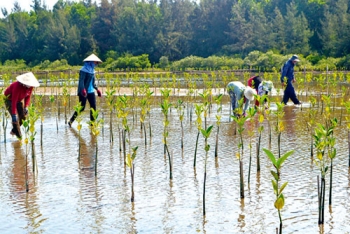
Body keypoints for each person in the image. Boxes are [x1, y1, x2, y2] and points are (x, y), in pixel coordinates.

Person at [68, 53, 103, 127]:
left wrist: (97, 89)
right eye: (95, 62)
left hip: (91, 92)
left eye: (97, 63)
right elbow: (81, 81)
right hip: (84, 91)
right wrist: (83, 90)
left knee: (93, 107)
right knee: (81, 108)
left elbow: (93, 83)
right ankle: (71, 121)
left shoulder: (92, 71)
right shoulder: (83, 70)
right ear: (90, 61)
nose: (96, 64)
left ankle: (92, 124)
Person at [4, 72, 40, 139]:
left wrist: (26, 106)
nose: (30, 85)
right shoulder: (17, 86)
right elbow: (14, 100)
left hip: (19, 100)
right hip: (9, 100)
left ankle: (14, 131)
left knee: (23, 117)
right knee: (16, 119)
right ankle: (19, 138)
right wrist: (14, 114)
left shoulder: (30, 87)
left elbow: (28, 97)